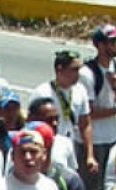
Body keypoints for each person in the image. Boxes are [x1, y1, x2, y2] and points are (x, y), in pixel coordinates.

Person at [79, 24, 116, 190]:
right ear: (100, 45)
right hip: (95, 140)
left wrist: (115, 87)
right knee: (92, 189)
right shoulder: (87, 73)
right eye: (112, 41)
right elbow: (89, 111)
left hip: (112, 137)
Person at [33, 49, 97, 180]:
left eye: (78, 70)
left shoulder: (80, 91)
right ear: (59, 69)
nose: (77, 74)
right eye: (73, 70)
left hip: (69, 147)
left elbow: (85, 124)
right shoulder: (42, 92)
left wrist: (90, 155)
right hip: (48, 146)